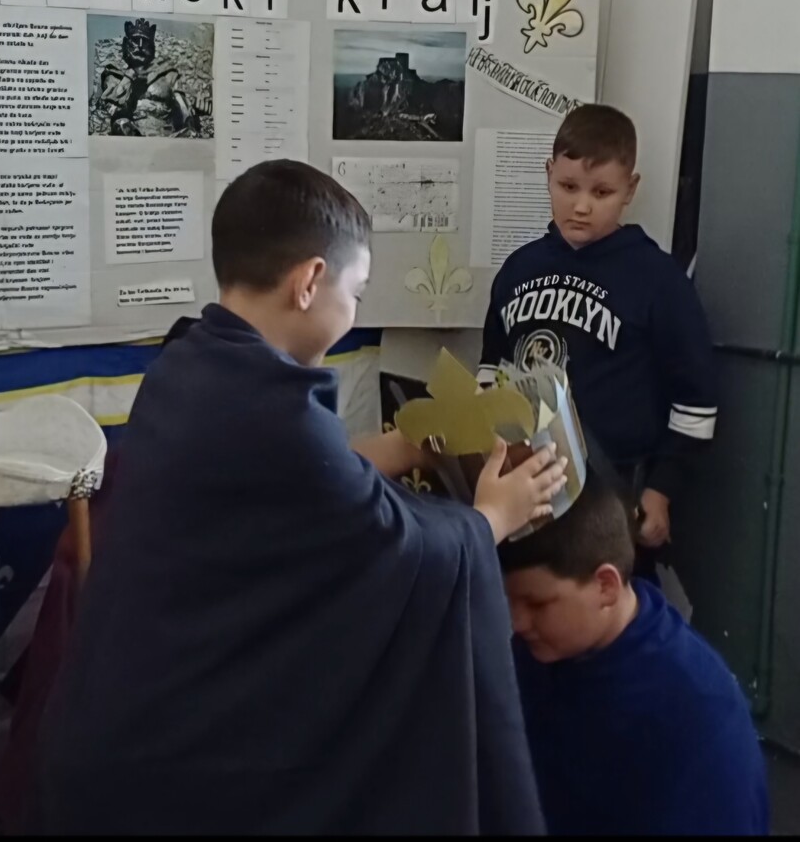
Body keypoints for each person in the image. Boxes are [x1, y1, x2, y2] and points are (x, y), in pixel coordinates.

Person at [31, 159, 567, 835]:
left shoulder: (191, 361)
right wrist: (491, 518)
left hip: (113, 725)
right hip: (173, 775)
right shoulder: (277, 414)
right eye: (357, 291)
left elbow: (312, 476)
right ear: (311, 281)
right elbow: (402, 552)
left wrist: (406, 445)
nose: (355, 310)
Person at [478, 103, 718, 582]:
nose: (582, 205)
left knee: (607, 604)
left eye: (602, 192)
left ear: (630, 189)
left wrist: (661, 490)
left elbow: (696, 402)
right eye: (568, 187)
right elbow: (491, 371)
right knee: (525, 601)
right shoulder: (518, 269)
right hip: (526, 483)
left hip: (616, 490)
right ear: (548, 174)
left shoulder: (657, 280)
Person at [498, 472, 769, 836]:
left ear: (606, 586)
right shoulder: (535, 653)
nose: (516, 622)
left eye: (536, 604)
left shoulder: (700, 718)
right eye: (508, 600)